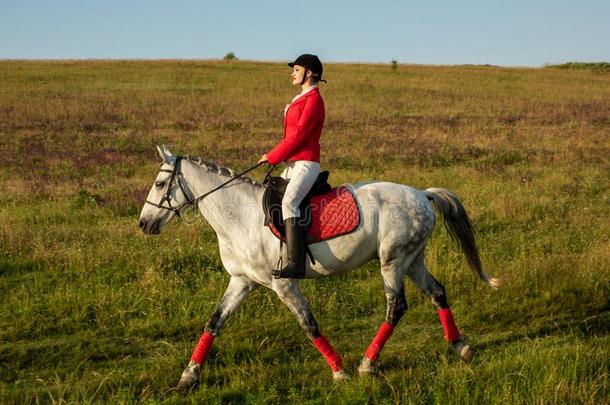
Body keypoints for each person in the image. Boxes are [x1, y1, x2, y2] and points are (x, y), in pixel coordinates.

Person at [258, 54, 326, 279]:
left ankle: (296, 263)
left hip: (306, 163)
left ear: (309, 73)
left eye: (296, 70)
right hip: (292, 163)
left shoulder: (314, 100)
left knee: (289, 203)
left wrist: (273, 156)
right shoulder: (301, 98)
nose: (292, 73)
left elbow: (298, 136)